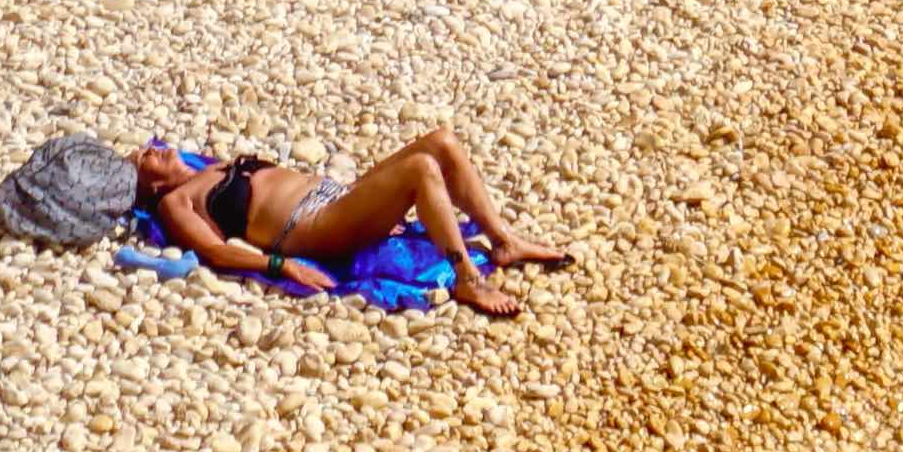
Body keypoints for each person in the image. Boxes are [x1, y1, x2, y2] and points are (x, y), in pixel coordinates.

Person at [129, 130, 571, 318]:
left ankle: (504, 240)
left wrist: (368, 207)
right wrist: (280, 265)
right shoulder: (176, 203)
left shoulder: (207, 166)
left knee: (442, 141)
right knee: (421, 169)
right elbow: (214, 251)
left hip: (337, 200)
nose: (156, 149)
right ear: (149, 185)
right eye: (146, 156)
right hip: (315, 226)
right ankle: (468, 279)